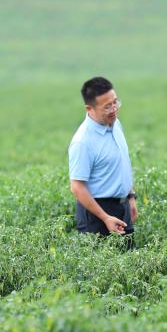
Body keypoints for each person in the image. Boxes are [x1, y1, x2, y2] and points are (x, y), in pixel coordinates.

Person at [69, 76, 138, 244]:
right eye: (107, 106)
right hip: (96, 215)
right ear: (89, 109)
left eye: (115, 102)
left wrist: (131, 197)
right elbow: (77, 187)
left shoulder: (115, 125)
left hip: (122, 208)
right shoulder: (83, 141)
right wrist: (106, 218)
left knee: (130, 266)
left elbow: (121, 165)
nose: (114, 109)